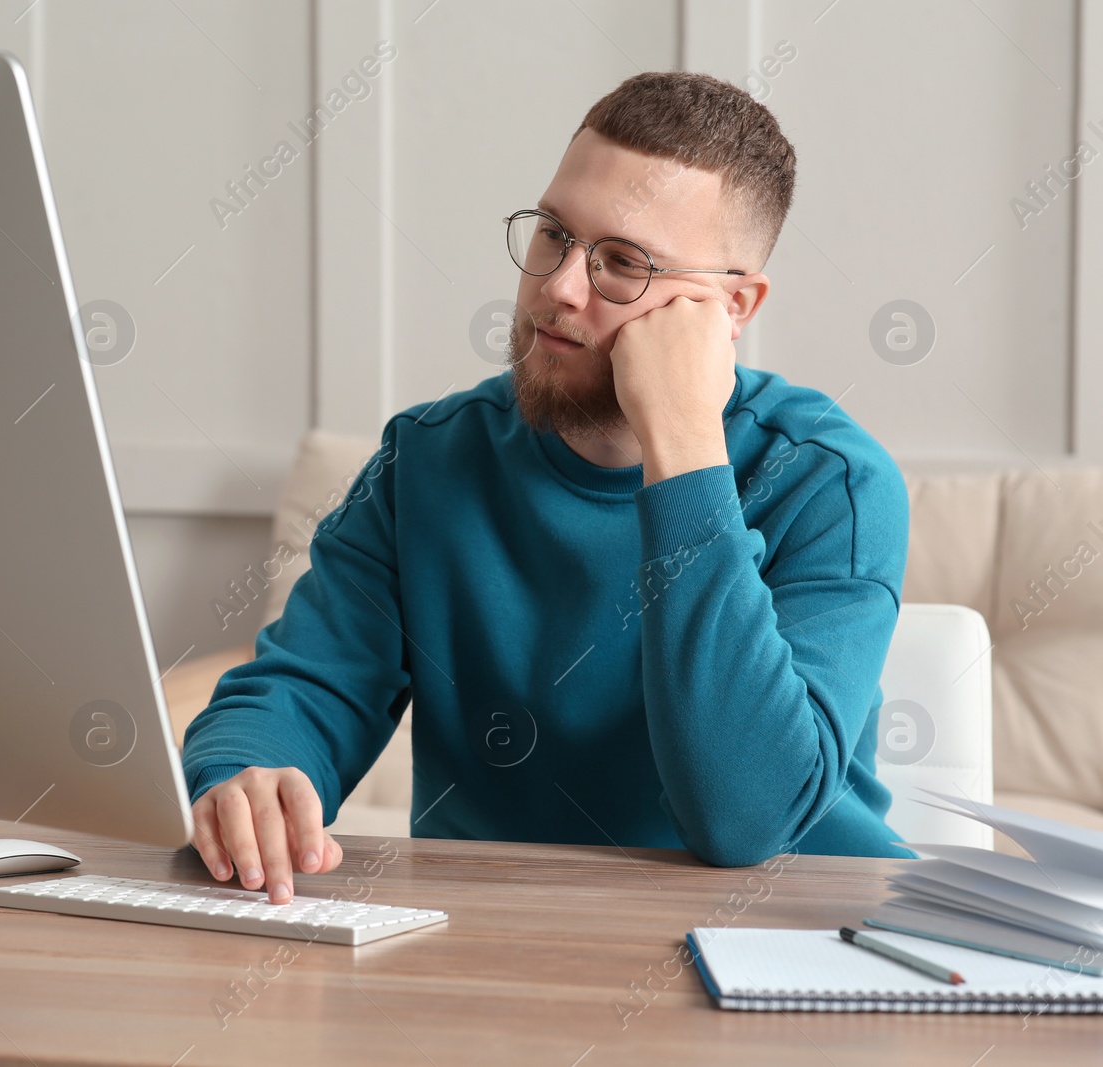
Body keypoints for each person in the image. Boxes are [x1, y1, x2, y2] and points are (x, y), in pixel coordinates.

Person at [181, 70, 911, 903]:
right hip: (503, 946)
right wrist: (247, 772)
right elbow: (302, 685)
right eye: (554, 235)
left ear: (731, 307)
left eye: (622, 263)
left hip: (787, 946)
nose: (560, 287)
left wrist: (683, 444)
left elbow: (744, 821)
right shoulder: (426, 460)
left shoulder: (829, 483)